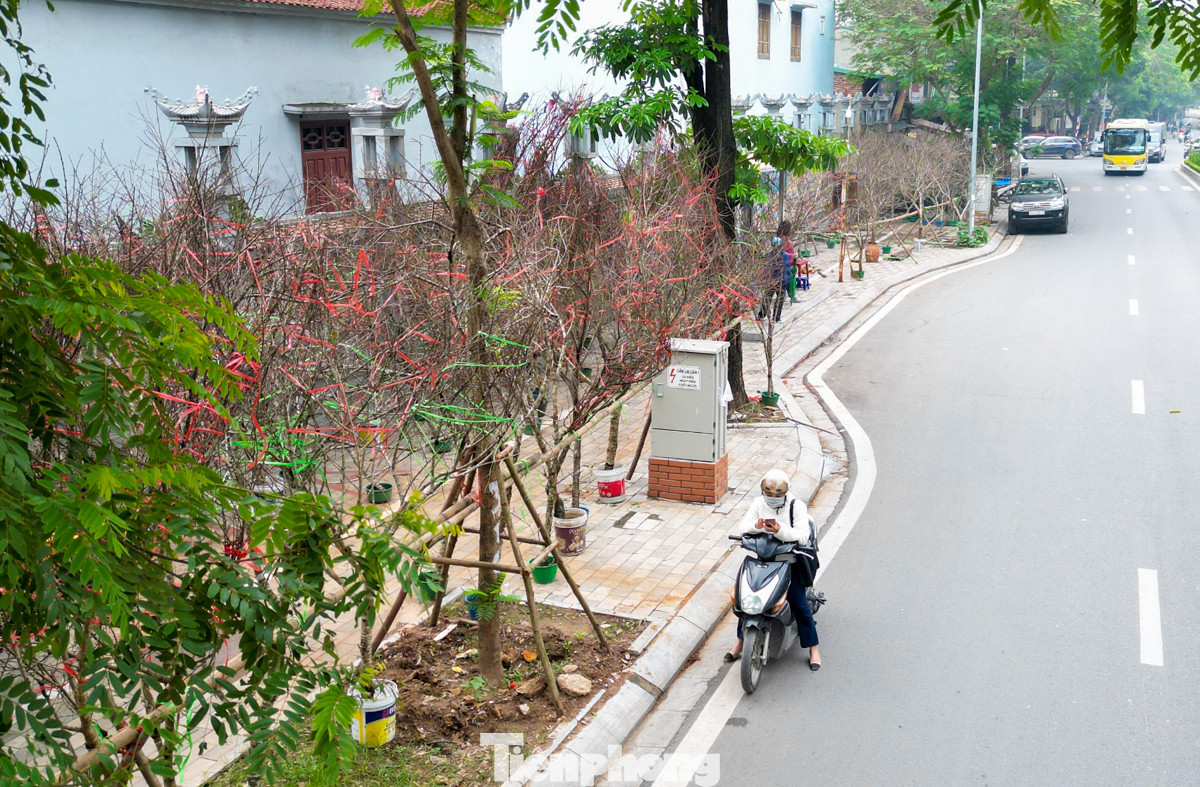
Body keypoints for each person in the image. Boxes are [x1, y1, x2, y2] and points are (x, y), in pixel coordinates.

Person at [724, 469, 822, 670]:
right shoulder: (758, 503)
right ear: (763, 491)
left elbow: (803, 536)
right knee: (747, 600)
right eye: (769, 494)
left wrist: (780, 530)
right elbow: (744, 527)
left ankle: (813, 648)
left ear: (785, 493)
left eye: (778, 495)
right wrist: (758, 526)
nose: (773, 498)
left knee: (799, 604)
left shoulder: (796, 506)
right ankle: (741, 641)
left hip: (790, 562)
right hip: (764, 561)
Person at [757, 237, 787, 323]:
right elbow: (785, 268)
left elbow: (766, 269)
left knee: (768, 297)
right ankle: (776, 317)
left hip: (771, 281)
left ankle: (761, 314)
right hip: (780, 280)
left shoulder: (768, 255)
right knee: (779, 298)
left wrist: (770, 279)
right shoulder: (783, 255)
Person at [778, 220, 800, 304]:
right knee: (789, 279)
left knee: (791, 278)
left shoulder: (785, 237)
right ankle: (792, 295)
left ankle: (791, 295)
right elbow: (781, 251)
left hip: (790, 261)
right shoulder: (782, 239)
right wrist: (792, 256)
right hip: (786, 262)